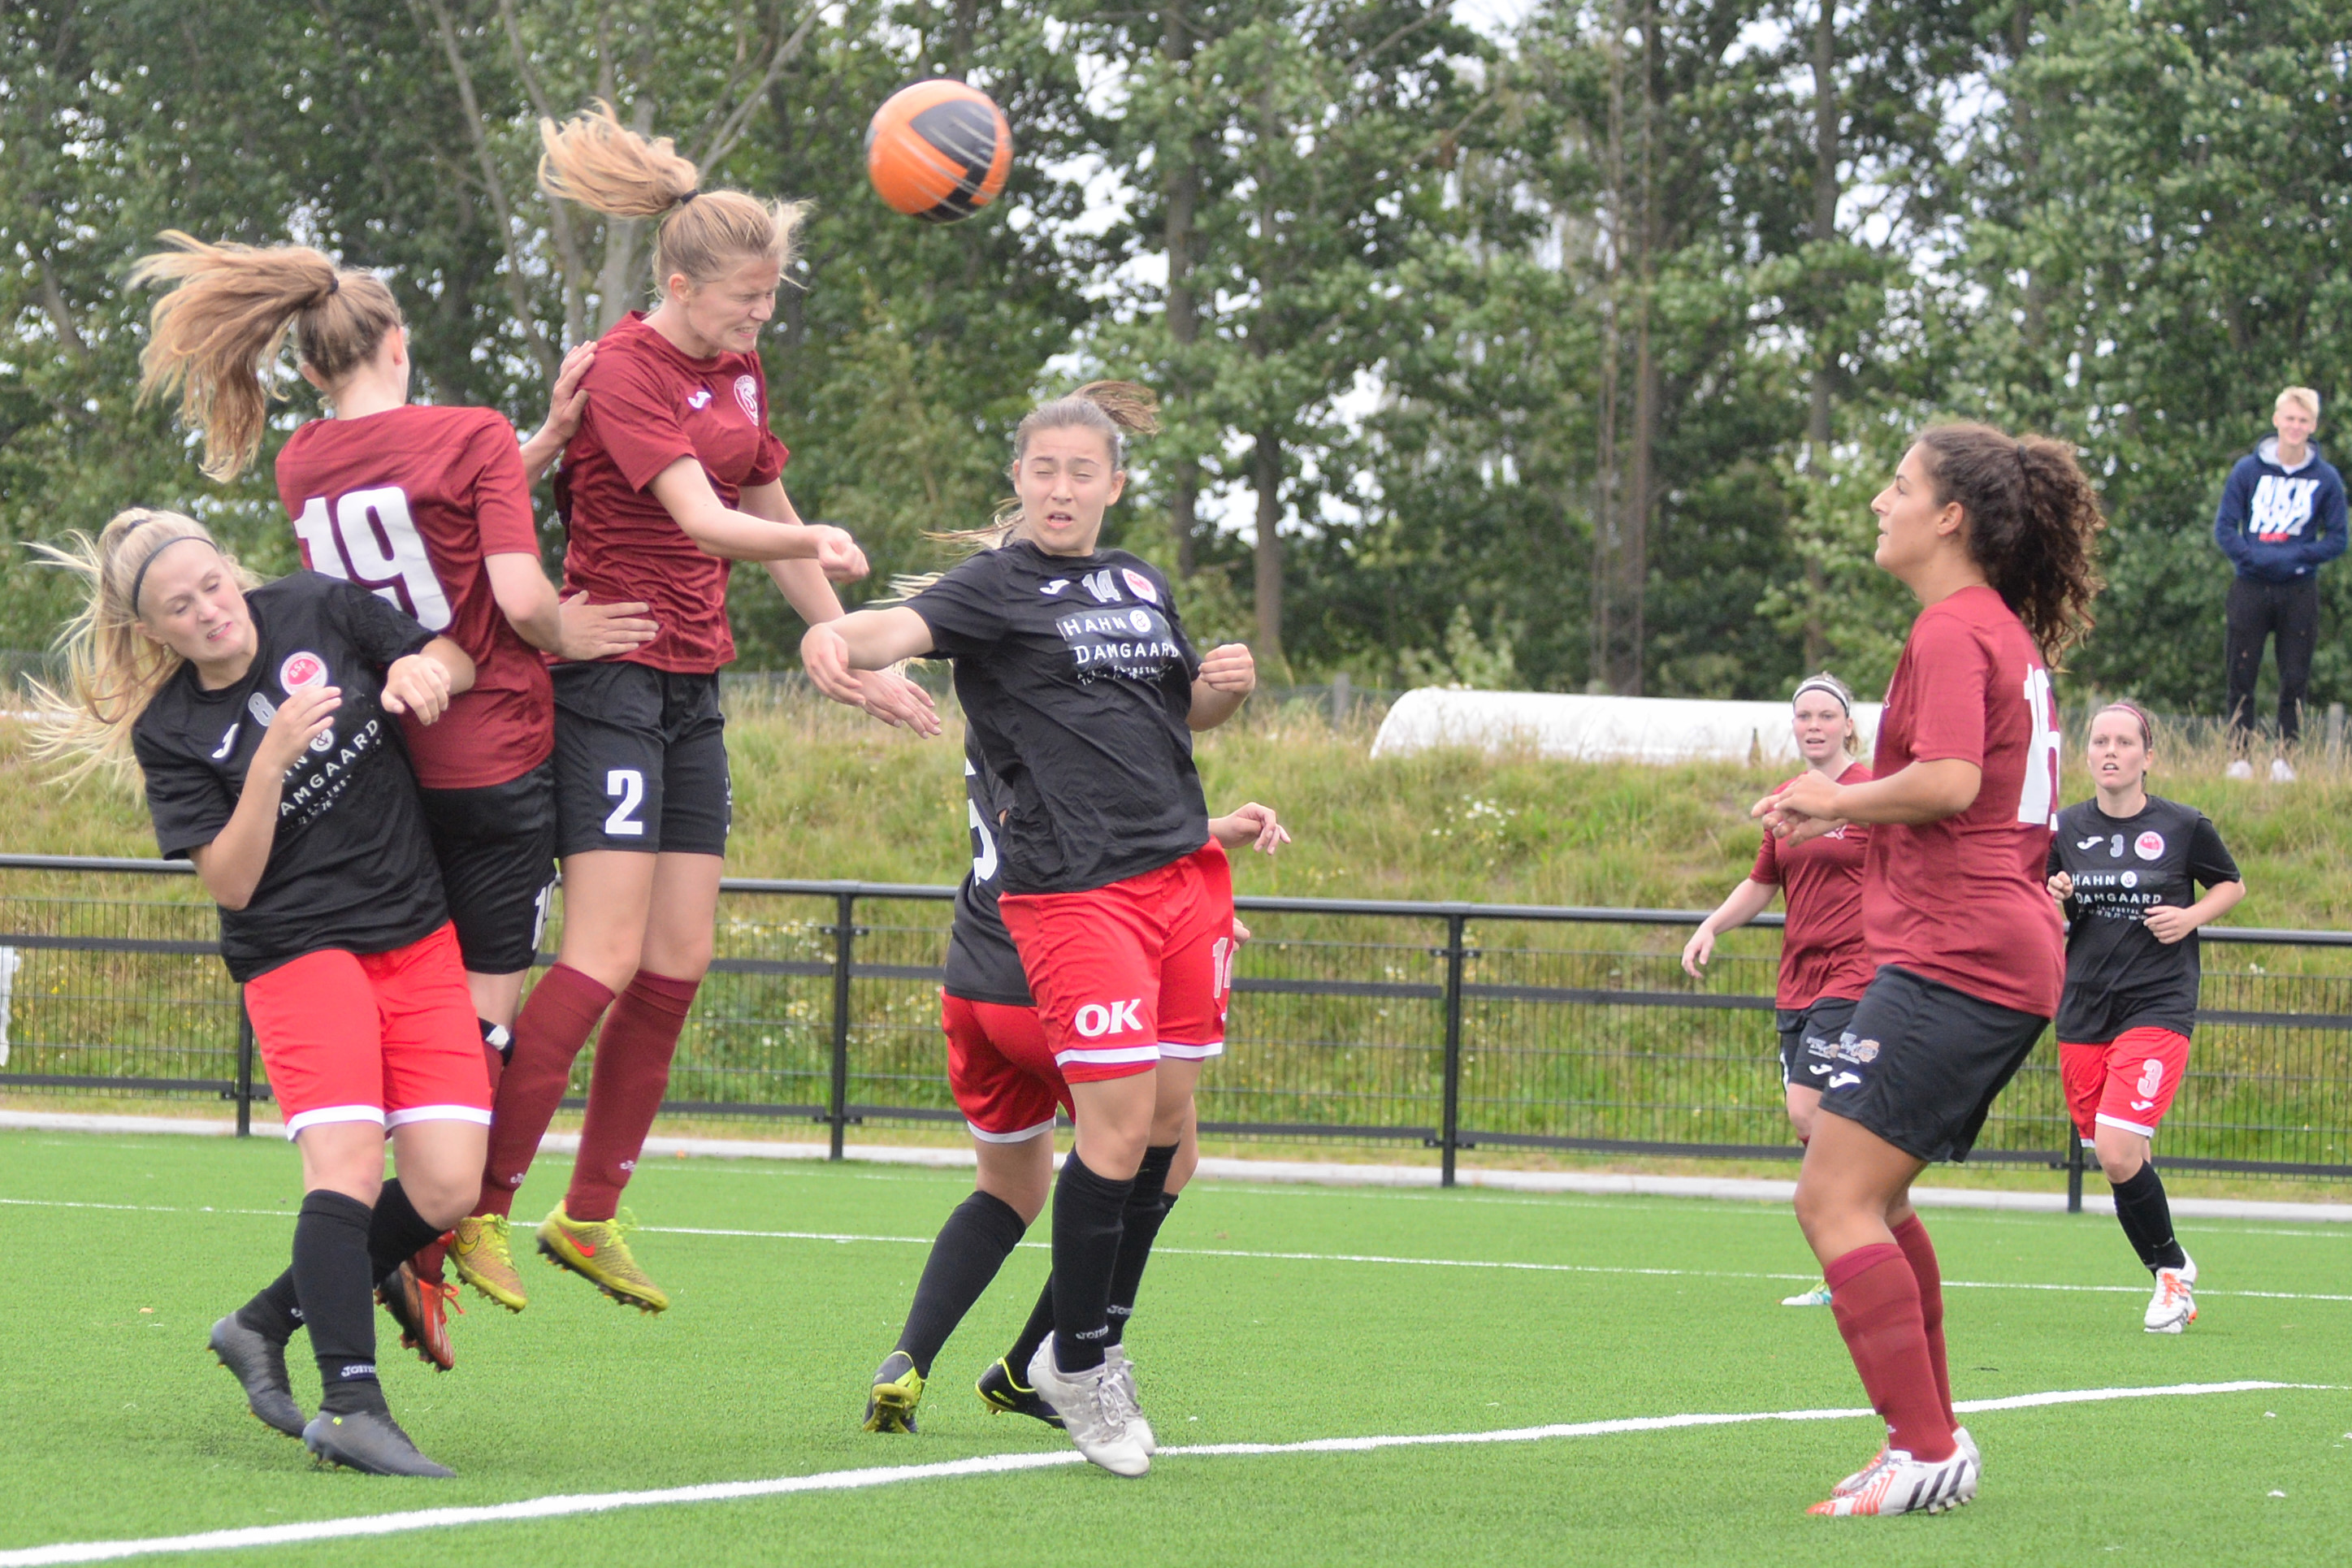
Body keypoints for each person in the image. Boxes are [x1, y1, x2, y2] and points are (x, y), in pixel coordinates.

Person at [128, 232, 661, 1368]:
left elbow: (420, 501)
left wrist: (536, 445)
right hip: (491, 739)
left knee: (435, 1022)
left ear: (309, 364)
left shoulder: (303, 461)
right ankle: (439, 1232)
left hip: (389, 756)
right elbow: (516, 595)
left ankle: (400, 1236)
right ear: (398, 342)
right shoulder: (467, 432)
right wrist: (573, 628)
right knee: (499, 1018)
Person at [453, 102, 934, 1317]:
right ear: (679, 286)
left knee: (678, 959)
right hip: (609, 680)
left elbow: (763, 499)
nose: (759, 320)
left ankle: (587, 1214)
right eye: (744, 302)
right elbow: (703, 519)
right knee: (602, 955)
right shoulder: (627, 368)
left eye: (770, 302)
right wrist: (812, 540)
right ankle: (473, 1205)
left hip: (690, 685)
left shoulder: (738, 368)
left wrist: (845, 641)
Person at [802, 382, 1258, 1477]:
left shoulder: (1139, 583)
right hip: (1072, 893)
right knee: (1116, 1133)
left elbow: (1179, 712)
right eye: (1042, 469)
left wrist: (1222, 689)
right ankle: (1077, 1362)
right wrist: (835, 637)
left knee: (1168, 1131)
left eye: (1080, 471)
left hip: (1179, 876)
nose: (1061, 487)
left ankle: (1064, 1351)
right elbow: (891, 628)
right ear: (1017, 479)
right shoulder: (994, 586)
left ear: (1115, 484)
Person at [31, 510, 487, 1477]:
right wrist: (270, 759)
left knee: (449, 1185)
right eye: (179, 608)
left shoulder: (317, 605)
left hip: (414, 932)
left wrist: (424, 671)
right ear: (152, 631)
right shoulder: (172, 731)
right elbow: (233, 882)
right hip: (295, 949)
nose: (208, 611)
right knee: (348, 1164)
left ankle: (261, 1322)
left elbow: (451, 654)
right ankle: (350, 1402)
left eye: (212, 585)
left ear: (230, 570)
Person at [1756, 422, 2104, 1517]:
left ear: (1948, 517)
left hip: (1960, 953)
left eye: (1897, 484)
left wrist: (1834, 797)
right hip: (1980, 947)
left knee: (1832, 1197)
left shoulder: (1953, 628)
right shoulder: (1993, 630)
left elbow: (1950, 781)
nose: (1879, 499)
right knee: (1879, 1196)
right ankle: (1929, 1438)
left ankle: (1923, 1444)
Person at [861, 728, 1286, 1436]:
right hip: (1053, 976)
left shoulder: (994, 704)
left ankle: (907, 1360)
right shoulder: (1040, 701)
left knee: (1006, 1189)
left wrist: (1207, 833)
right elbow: (1075, 829)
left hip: (975, 979)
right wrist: (1180, 906)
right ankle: (1037, 1362)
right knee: (1161, 1154)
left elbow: (1076, 817)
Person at [2046, 702, 2243, 1332]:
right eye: (2099, 741)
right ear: (2087, 755)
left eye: (2123, 742)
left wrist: (2189, 917)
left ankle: (2169, 1272)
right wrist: (2053, 895)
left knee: (2116, 1148)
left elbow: (2230, 884)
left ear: (2146, 756)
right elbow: (2037, 904)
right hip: (2083, 1008)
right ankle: (2169, 1271)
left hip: (2157, 1004)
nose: (2110, 751)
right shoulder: (2062, 829)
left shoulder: (2182, 825)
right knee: (2116, 1158)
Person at [1683, 671, 1873, 1308]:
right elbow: (1762, 882)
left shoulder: (1871, 796)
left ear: (1848, 725)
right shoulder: (1785, 800)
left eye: (1826, 715)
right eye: (1803, 716)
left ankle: (1859, 1250)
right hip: (1798, 981)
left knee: (1806, 1111)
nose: (1814, 725)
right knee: (1817, 1127)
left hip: (1856, 975)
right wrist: (1710, 925)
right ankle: (1857, 1250)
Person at [2211, 387, 2346, 782]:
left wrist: (2299, 558)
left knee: (2295, 676)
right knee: (2241, 671)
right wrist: (2251, 557)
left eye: (2303, 421)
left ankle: (2285, 758)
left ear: (2313, 425)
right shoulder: (2247, 471)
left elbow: (2338, 538)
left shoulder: (2325, 479)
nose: (2295, 426)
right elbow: (2225, 528)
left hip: (2299, 589)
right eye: (2290, 418)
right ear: (2276, 420)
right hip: (2250, 586)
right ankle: (2239, 756)